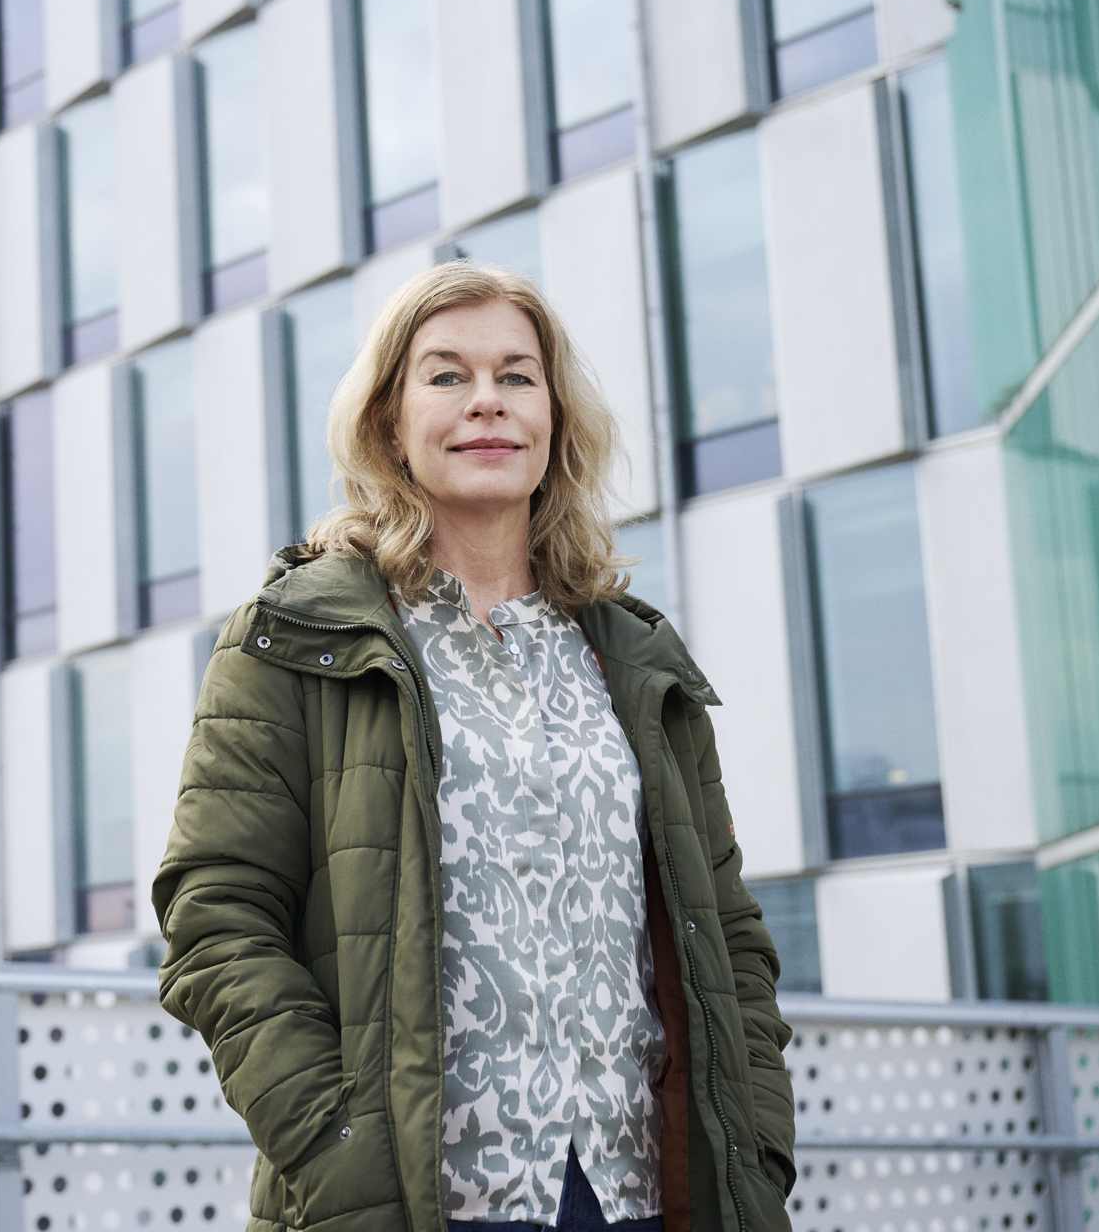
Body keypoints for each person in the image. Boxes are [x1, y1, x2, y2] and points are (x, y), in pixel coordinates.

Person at [153, 263, 796, 1232]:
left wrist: (761, 1144)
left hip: (636, 1197)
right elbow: (216, 922)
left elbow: (729, 935)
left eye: (517, 375)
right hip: (413, 1200)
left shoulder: (635, 657)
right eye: (446, 375)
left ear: (554, 418)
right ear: (389, 423)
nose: (486, 400)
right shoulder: (294, 640)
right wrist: (340, 1152)